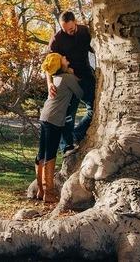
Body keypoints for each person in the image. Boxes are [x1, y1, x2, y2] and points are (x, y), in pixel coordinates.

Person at [35, 53, 83, 202]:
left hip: (45, 116)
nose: (65, 57)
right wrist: (74, 76)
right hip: (54, 119)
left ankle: (41, 191)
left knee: (42, 153)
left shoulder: (56, 78)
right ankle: (49, 193)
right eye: (63, 58)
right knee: (50, 154)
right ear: (60, 64)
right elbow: (80, 93)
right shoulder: (68, 78)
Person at [47, 11, 95, 153]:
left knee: (94, 108)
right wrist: (49, 83)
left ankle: (76, 134)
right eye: (64, 29)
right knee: (67, 114)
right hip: (68, 79)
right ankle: (66, 146)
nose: (69, 31)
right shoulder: (57, 39)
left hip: (86, 76)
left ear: (75, 22)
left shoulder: (85, 32)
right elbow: (48, 64)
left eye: (71, 28)